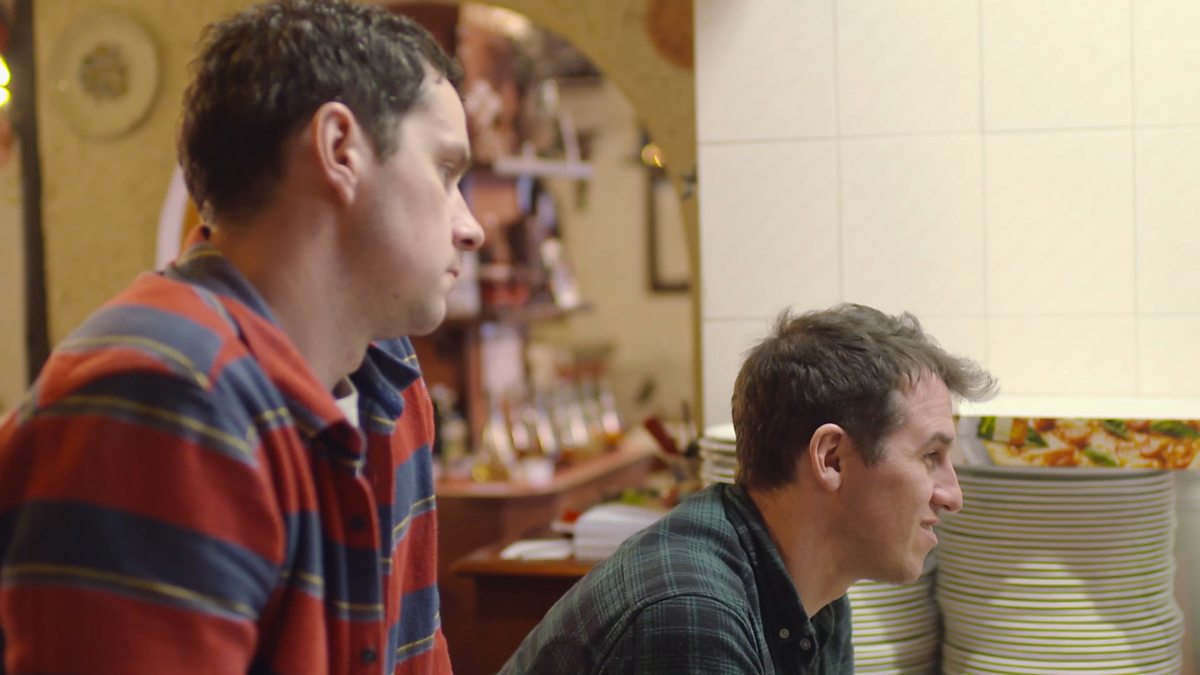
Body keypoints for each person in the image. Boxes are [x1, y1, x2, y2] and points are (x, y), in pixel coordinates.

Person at [0, 1, 482, 673]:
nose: (470, 227)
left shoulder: (389, 377)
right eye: (446, 171)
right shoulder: (158, 395)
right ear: (340, 149)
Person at [501, 304, 996, 674]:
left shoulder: (819, 593)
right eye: (930, 457)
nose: (952, 496)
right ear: (832, 459)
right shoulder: (692, 615)